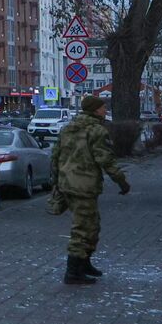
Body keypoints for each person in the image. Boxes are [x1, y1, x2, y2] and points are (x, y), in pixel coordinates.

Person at [51, 94, 131, 285]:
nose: (105, 110)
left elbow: (55, 156)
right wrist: (122, 182)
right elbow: (106, 159)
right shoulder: (96, 131)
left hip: (68, 183)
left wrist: (56, 181)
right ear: (95, 110)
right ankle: (73, 272)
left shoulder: (68, 128)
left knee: (91, 225)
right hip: (83, 185)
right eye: (103, 107)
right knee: (83, 228)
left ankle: (84, 264)